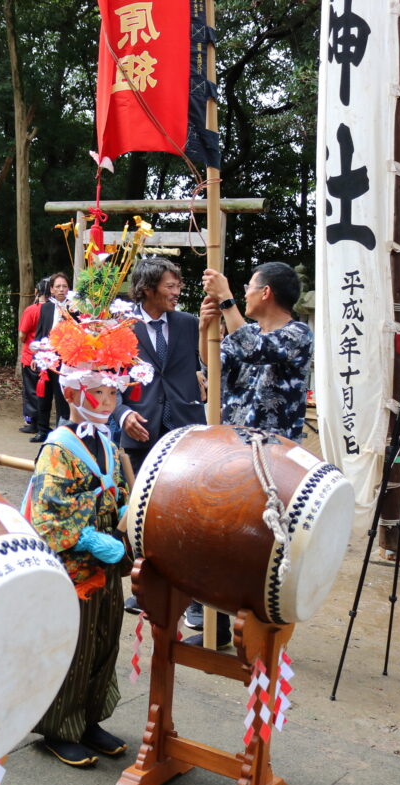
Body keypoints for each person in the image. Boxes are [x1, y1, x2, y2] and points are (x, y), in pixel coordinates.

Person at [25, 296, 140, 768]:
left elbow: (109, 497)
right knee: (71, 649)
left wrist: (132, 513)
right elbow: (49, 514)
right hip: (74, 570)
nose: (109, 402)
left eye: (114, 393)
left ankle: (90, 718)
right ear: (72, 393)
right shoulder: (59, 447)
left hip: (109, 567)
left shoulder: (109, 443)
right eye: (100, 393)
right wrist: (95, 540)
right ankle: (59, 726)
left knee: (104, 643)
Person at [198, 261, 313, 647]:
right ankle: (217, 626)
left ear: (266, 293)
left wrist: (227, 299)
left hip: (273, 459)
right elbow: (214, 364)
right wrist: (204, 329)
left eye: (248, 287)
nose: (244, 293)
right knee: (224, 537)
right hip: (233, 449)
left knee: (261, 545)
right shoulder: (243, 331)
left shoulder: (297, 334)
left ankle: (262, 627)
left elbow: (257, 349)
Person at [113, 257, 205, 471]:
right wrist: (122, 413)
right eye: (170, 286)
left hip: (186, 432)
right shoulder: (121, 327)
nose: (177, 293)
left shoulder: (190, 324)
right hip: (141, 431)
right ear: (146, 288)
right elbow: (108, 381)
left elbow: (210, 365)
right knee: (140, 499)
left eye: (178, 286)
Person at [31, 272, 73, 442]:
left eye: (64, 286)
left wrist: (68, 318)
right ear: (52, 290)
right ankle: (42, 429)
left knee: (62, 395)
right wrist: (36, 355)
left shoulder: (75, 308)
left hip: (66, 357)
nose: (61, 289)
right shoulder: (46, 308)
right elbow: (40, 333)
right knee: (43, 394)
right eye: (58, 287)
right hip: (47, 355)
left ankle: (61, 429)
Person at [17, 278, 50, 434]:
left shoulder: (32, 310)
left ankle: (33, 421)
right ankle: (43, 421)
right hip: (50, 357)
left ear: (37, 291)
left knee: (31, 390)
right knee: (45, 391)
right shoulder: (54, 310)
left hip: (31, 356)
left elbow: (22, 335)